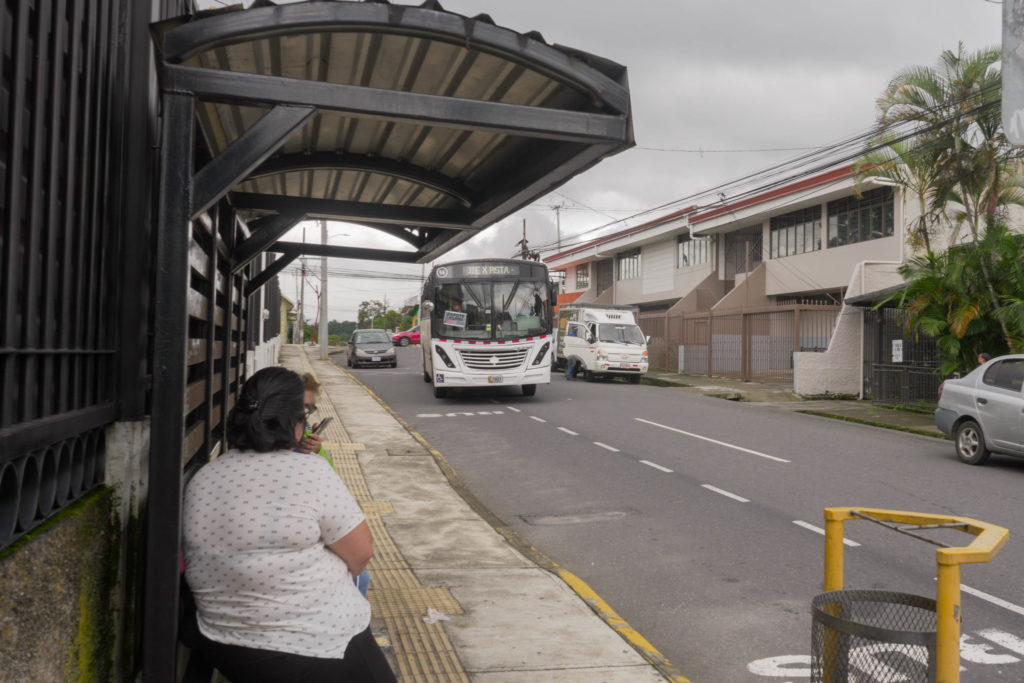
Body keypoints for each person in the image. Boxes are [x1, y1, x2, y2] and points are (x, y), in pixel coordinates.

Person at [182, 367, 396, 682]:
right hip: (317, 644)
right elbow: (361, 553)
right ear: (294, 422)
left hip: (224, 642)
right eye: (304, 416)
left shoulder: (205, 476)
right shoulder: (308, 471)